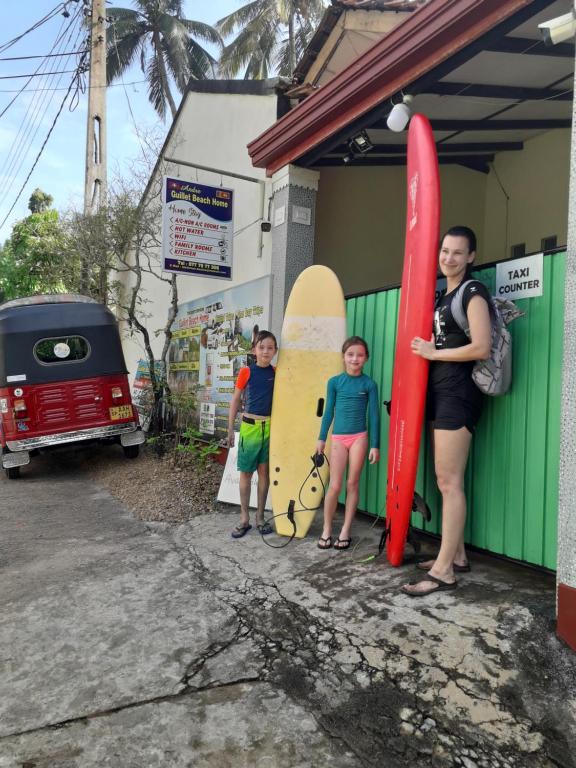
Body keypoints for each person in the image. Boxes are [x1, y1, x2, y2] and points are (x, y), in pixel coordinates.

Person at [402, 226, 492, 596]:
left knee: (449, 481)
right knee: (445, 479)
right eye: (445, 251)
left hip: (461, 393)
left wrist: (433, 353)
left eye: (458, 253)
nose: (448, 258)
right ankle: (456, 556)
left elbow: (482, 347)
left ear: (470, 256)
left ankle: (443, 572)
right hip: (440, 393)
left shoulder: (473, 292)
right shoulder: (443, 295)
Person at [316, 336, 380, 550]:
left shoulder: (369, 384)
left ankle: (345, 530)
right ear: (343, 357)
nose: (355, 359)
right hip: (338, 439)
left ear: (366, 358)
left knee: (352, 484)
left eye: (360, 355)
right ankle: (326, 529)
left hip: (359, 438)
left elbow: (374, 416)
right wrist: (321, 438)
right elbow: (328, 413)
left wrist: (375, 445)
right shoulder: (335, 382)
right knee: (334, 486)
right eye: (350, 354)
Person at [227, 330, 278, 538]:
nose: (266, 351)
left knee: (264, 473)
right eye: (262, 347)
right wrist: (230, 428)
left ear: (275, 351)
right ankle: (244, 519)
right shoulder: (246, 372)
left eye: (270, 347)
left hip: (269, 428)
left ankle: (260, 518)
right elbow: (235, 400)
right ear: (254, 350)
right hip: (249, 427)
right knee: (246, 473)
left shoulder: (276, 372)